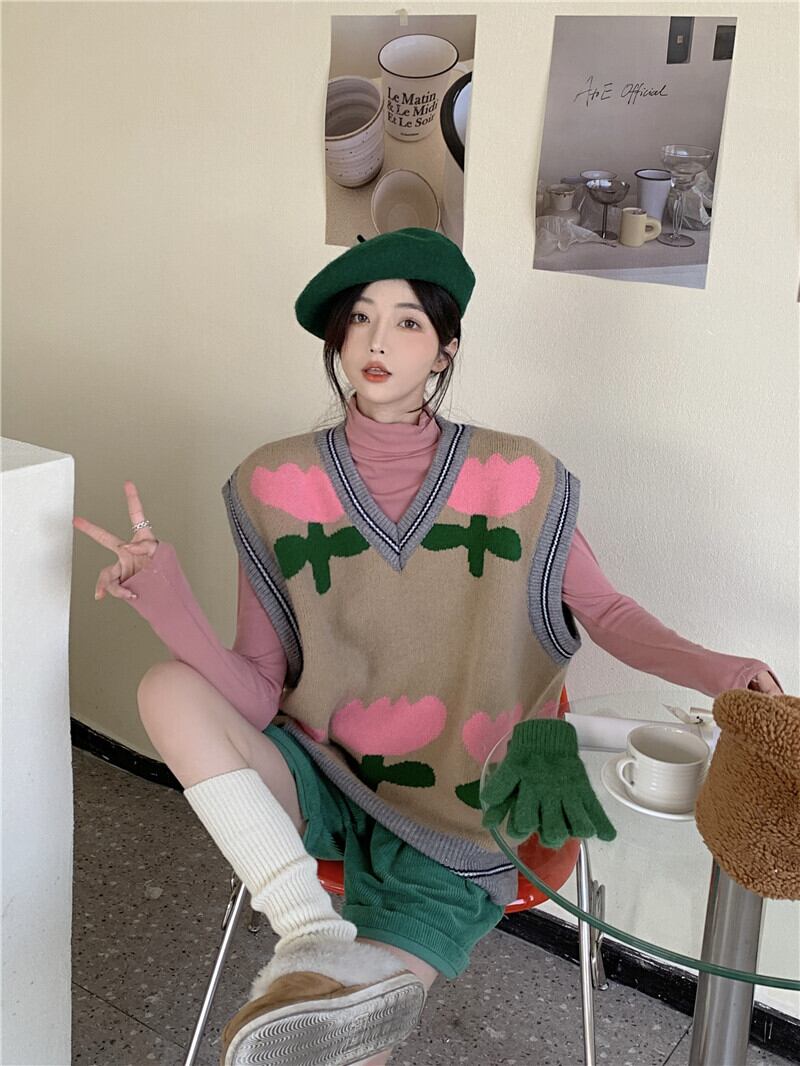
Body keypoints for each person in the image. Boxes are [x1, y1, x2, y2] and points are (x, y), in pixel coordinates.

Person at [73, 228, 782, 1066]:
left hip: (469, 803)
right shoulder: (272, 484)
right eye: (360, 318)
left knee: (350, 1044)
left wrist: (728, 673)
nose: (377, 340)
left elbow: (610, 613)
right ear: (337, 338)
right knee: (165, 687)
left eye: (408, 321)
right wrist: (167, 602)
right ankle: (305, 927)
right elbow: (258, 690)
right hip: (324, 775)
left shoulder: (519, 478)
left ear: (445, 349)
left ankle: (341, 986)